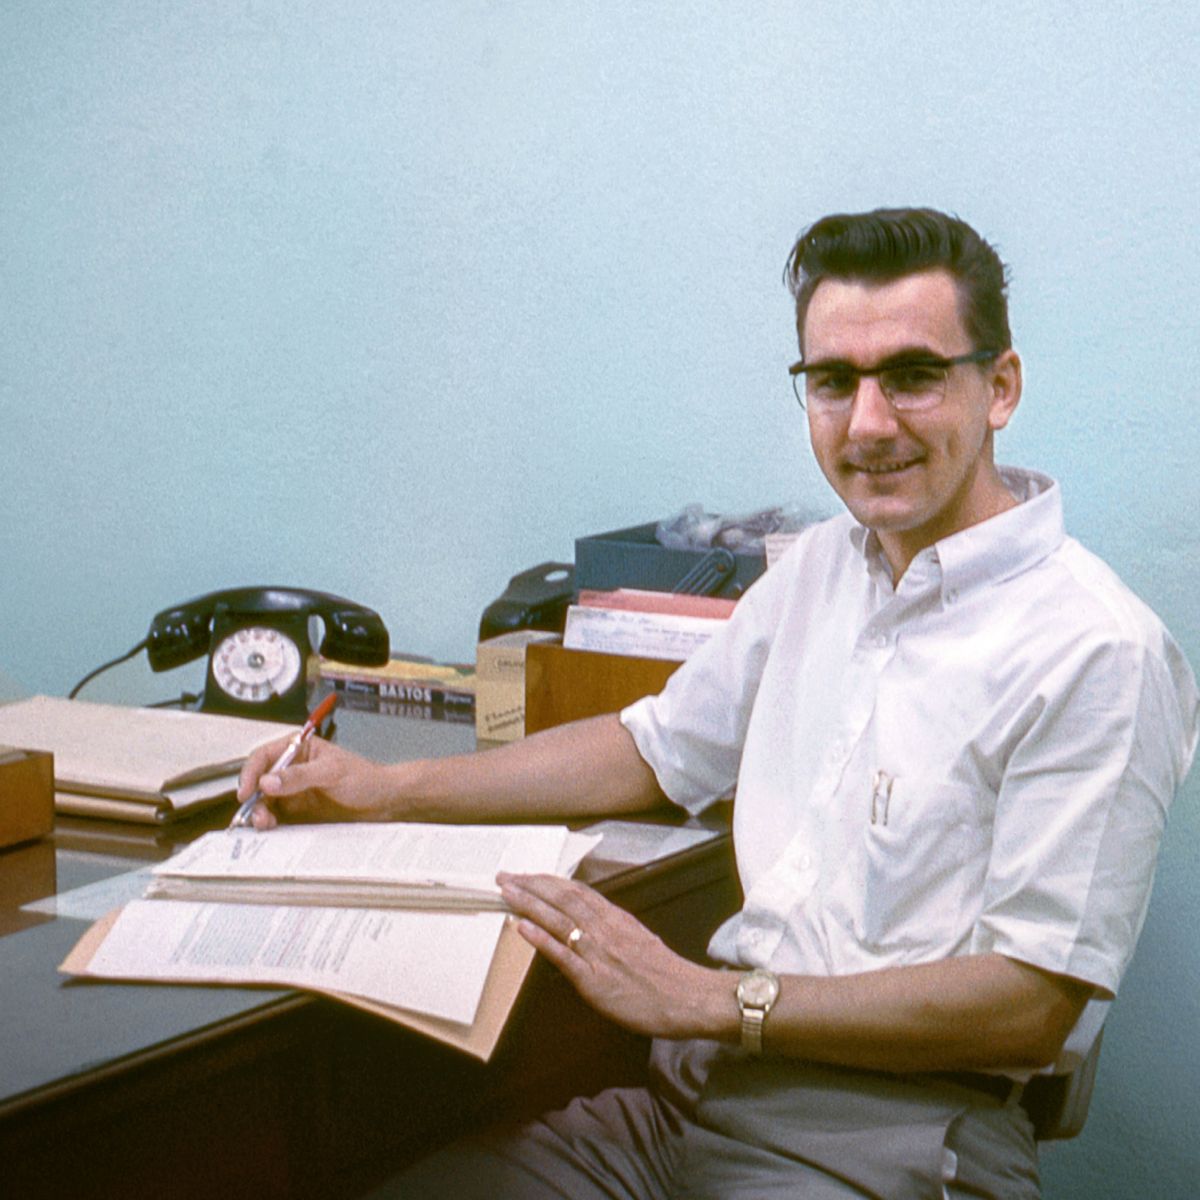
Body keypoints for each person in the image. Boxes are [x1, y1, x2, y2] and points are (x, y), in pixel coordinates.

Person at [238, 207, 1199, 1199]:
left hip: (898, 1132)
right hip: (683, 1108)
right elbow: (650, 751)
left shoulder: (1097, 648)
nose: (869, 424)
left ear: (1000, 387)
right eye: (834, 382)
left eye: (912, 375)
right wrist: (380, 790)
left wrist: (707, 998)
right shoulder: (824, 565)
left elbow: (1027, 1005)